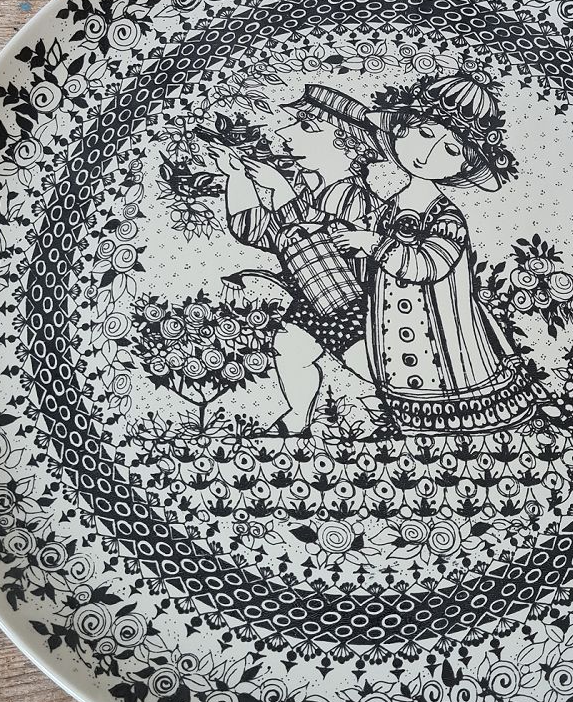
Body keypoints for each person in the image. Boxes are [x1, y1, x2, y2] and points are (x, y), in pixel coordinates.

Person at [332, 71, 545, 435]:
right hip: (391, 326)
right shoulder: (390, 206)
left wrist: (372, 244)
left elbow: (430, 265)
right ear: (401, 131)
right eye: (425, 133)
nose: (427, 153)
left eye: (450, 150)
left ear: (464, 166)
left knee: (443, 392)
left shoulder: (447, 217)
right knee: (402, 386)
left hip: (439, 329)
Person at [212, 84, 380, 435]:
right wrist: (238, 177)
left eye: (305, 126)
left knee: (368, 365)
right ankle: (298, 416)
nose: (286, 133)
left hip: (351, 302)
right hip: (313, 297)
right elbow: (259, 232)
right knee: (290, 349)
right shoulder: (311, 191)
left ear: (348, 145)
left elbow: (320, 241)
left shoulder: (353, 196)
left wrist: (283, 192)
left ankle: (399, 411)